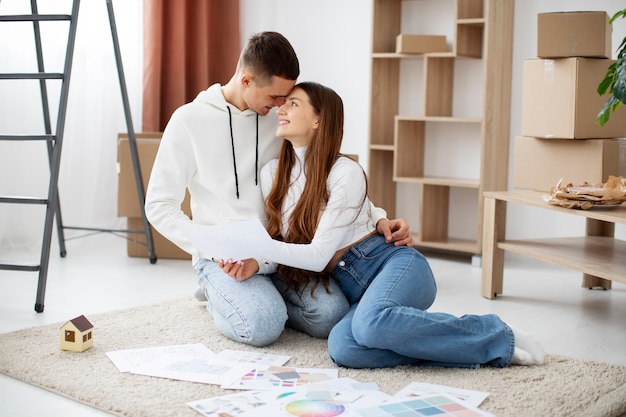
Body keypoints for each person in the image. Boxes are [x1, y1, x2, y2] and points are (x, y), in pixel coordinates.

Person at [220, 81, 545, 368]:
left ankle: (495, 334)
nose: (281, 109)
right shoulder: (272, 175)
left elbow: (318, 255)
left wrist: (261, 250)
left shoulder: (344, 172)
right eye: (283, 102)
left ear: (319, 119)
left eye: (294, 103)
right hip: (353, 290)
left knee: (370, 327)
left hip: (391, 264)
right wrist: (256, 261)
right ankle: (451, 344)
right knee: (345, 349)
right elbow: (284, 240)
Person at [145, 32, 411, 348]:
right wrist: (210, 246)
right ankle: (222, 295)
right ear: (246, 81)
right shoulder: (188, 120)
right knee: (263, 326)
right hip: (225, 257)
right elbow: (159, 205)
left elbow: (327, 172)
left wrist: (377, 218)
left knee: (332, 316)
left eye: (286, 99)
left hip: (282, 251)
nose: (280, 106)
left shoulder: (279, 120)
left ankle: (258, 302)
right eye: (274, 97)